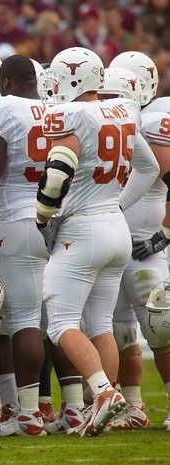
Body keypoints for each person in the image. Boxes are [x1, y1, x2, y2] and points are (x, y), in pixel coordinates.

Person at [36, 47, 158, 436]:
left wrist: (42, 215)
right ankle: (111, 402)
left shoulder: (71, 115)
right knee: (100, 323)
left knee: (60, 323)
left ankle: (103, 393)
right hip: (114, 227)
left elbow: (56, 177)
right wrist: (117, 205)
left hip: (81, 228)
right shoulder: (123, 110)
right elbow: (149, 168)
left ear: (70, 78)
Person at [0, 55, 51, 436]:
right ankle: (63, 407)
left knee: (11, 321)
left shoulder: (0, 109)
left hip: (16, 221)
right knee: (54, 319)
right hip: (56, 220)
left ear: (5, 81)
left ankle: (27, 414)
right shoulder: (57, 108)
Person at [105, 52, 170, 431]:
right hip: (113, 243)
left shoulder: (154, 124)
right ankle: (132, 406)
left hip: (147, 244)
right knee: (119, 329)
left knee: (161, 327)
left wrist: (164, 234)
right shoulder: (111, 122)